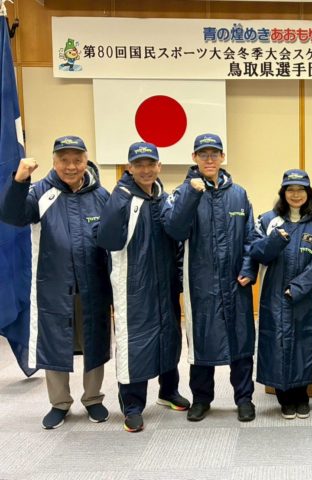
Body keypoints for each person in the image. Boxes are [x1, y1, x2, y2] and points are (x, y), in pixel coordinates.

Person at [0, 136, 111, 429]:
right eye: (64, 160)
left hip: (93, 284)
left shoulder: (101, 195)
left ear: (86, 161)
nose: (71, 166)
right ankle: (59, 403)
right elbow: (12, 215)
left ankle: (93, 398)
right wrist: (19, 181)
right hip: (53, 284)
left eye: (77, 160)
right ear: (54, 161)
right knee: (54, 341)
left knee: (94, 340)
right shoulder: (40, 191)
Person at [162, 133, 258, 423]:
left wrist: (248, 268)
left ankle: (244, 399)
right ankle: (202, 399)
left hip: (236, 283)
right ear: (194, 158)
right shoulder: (182, 193)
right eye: (203, 154)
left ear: (222, 157)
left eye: (214, 154)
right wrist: (193, 194)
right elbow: (175, 230)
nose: (209, 159)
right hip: (200, 283)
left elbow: (251, 237)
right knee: (202, 342)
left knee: (241, 341)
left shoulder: (239, 194)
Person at [97, 142, 190, 433]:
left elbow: (176, 238)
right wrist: (118, 199)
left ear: (159, 166)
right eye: (139, 165)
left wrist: (177, 276)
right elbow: (107, 239)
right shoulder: (122, 197)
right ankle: (133, 405)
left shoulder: (163, 198)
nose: (146, 170)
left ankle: (168, 391)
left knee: (168, 336)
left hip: (165, 283)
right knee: (134, 343)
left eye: (151, 164)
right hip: (133, 286)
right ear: (129, 168)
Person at [249, 169, 312, 419]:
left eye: (301, 190)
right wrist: (276, 240)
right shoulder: (267, 220)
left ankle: (301, 395)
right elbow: (257, 252)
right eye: (290, 190)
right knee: (277, 343)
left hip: (306, 296)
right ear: (283, 193)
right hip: (274, 295)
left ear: (309, 193)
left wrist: (298, 287)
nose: (296, 195)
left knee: (304, 344)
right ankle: (284, 397)